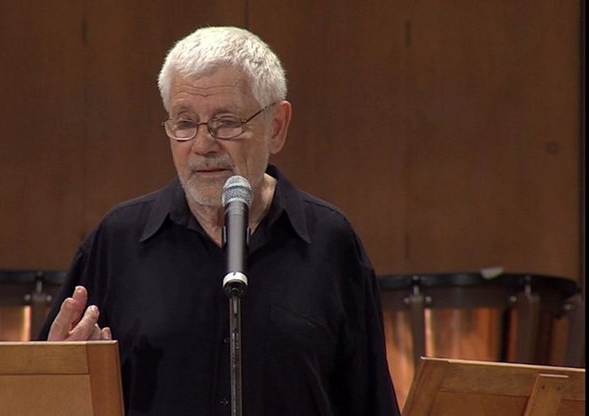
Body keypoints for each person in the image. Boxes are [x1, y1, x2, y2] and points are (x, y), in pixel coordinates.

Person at [38, 26, 401, 416]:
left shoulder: (331, 242)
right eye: (184, 123)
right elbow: (46, 393)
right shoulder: (118, 240)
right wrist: (55, 379)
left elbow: (370, 401)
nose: (202, 145)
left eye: (226, 122)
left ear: (276, 126)